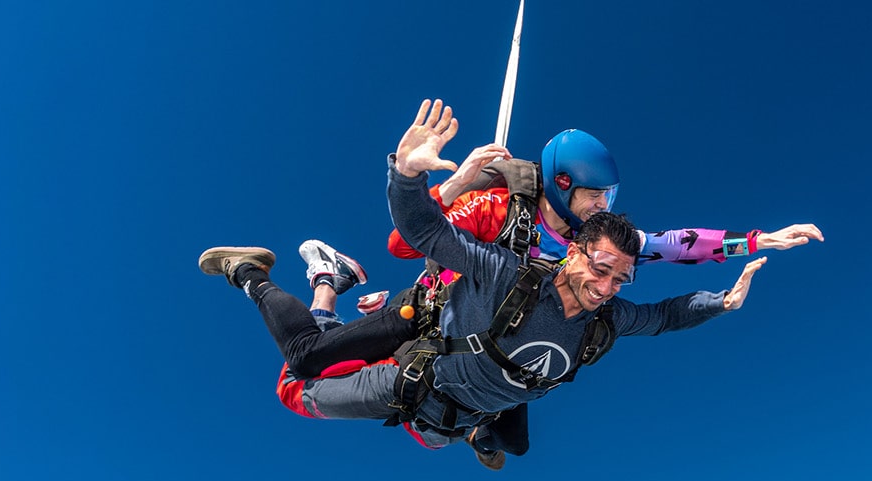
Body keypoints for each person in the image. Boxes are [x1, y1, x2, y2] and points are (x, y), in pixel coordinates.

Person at [196, 99, 766, 459]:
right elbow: (413, 237)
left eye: (620, 276)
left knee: (512, 442)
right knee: (306, 363)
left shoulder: (599, 251)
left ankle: (470, 423)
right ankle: (307, 278)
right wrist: (437, 180)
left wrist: (751, 251)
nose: (611, 282)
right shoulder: (501, 219)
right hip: (434, 310)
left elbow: (667, 250)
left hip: (499, 360)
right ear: (563, 184)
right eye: (595, 196)